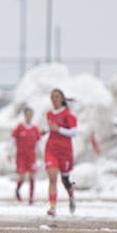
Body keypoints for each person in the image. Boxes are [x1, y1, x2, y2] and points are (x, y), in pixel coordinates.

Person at [44, 89, 77, 217]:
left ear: (62, 98)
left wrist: (60, 129)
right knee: (52, 176)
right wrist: (43, 131)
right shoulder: (49, 114)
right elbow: (50, 128)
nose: (54, 99)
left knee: (65, 180)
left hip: (65, 151)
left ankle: (71, 192)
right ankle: (52, 207)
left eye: (57, 96)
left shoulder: (68, 114)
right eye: (52, 97)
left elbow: (74, 132)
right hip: (51, 149)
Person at [12, 107, 42, 204]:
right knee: (22, 176)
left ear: (32, 116)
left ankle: (31, 198)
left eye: (30, 114)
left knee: (32, 176)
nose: (29, 116)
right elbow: (12, 140)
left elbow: (39, 143)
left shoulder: (35, 128)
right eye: (27, 114)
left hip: (31, 156)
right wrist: (10, 153)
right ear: (24, 115)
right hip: (21, 156)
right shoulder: (20, 127)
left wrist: (41, 155)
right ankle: (17, 190)